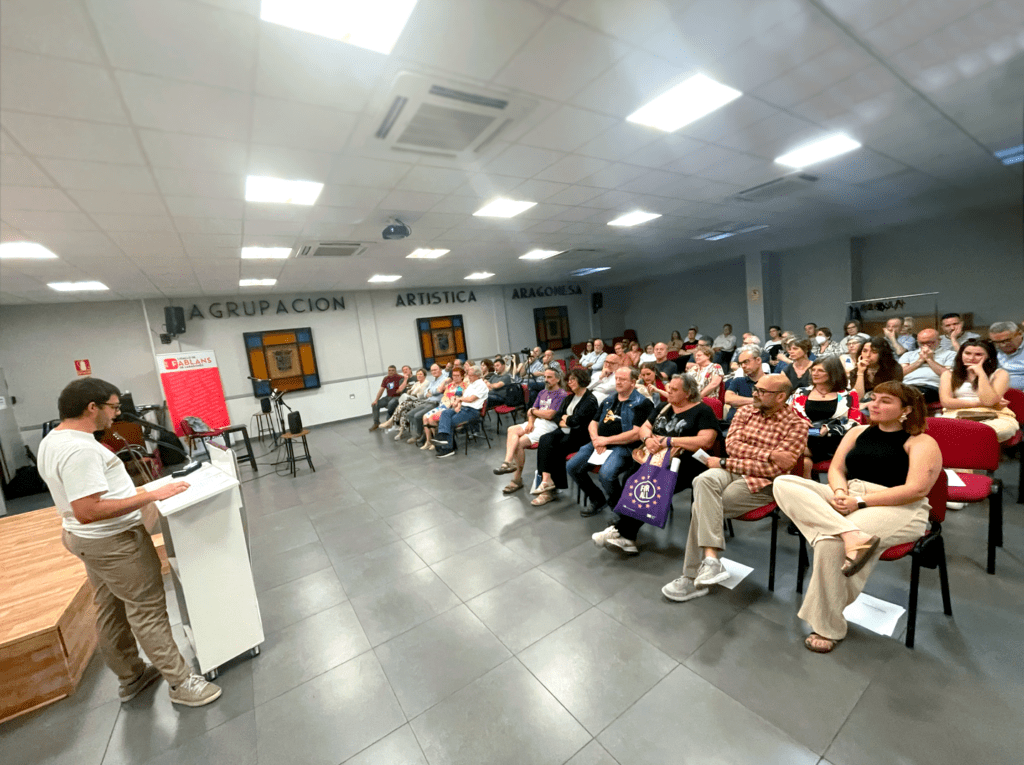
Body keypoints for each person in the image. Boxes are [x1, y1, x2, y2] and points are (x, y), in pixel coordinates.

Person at [37, 379, 222, 706]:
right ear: (92, 408)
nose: (118, 413)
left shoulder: (55, 439)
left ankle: (132, 676)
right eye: (113, 407)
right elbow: (88, 510)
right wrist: (149, 495)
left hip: (88, 542)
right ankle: (181, 684)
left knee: (109, 608)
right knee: (148, 610)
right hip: (114, 543)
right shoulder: (80, 449)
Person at [773, 382, 942, 653]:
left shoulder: (921, 442)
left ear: (906, 410)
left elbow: (916, 490)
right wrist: (841, 493)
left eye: (885, 401)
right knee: (784, 483)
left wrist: (859, 502)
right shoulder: (858, 432)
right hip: (849, 494)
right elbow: (837, 469)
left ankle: (828, 625)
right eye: (873, 399)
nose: (874, 405)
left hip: (898, 506)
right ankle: (852, 535)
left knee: (829, 542)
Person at [660, 374, 807, 603]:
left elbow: (776, 470)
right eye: (755, 389)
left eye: (761, 392)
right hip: (732, 469)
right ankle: (710, 562)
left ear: (781, 397)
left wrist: (727, 462)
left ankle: (690, 577)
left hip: (763, 484)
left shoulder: (797, 425)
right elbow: (732, 445)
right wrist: (768, 454)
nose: (754, 394)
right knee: (702, 481)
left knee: (704, 505)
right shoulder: (746, 412)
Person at [592, 375, 719, 553]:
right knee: (631, 478)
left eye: (675, 390)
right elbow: (645, 428)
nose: (669, 391)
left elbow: (706, 441)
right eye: (669, 388)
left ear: (688, 393)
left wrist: (670, 441)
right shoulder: (664, 406)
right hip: (657, 456)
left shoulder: (702, 411)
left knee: (652, 484)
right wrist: (647, 439)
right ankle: (623, 531)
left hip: (687, 461)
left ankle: (623, 533)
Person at [568, 366, 653, 517]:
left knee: (606, 475)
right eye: (617, 379)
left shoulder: (642, 403)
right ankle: (598, 499)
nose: (618, 382)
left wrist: (605, 440)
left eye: (623, 379)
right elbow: (592, 423)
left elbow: (636, 433)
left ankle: (622, 509)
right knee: (572, 466)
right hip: (599, 442)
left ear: (633, 382)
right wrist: (596, 440)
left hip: (624, 447)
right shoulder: (609, 400)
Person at [529, 368, 599, 506]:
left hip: (580, 435)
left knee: (556, 447)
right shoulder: (569, 397)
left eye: (573, 379)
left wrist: (566, 419)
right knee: (544, 439)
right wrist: (566, 419)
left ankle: (553, 488)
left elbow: (576, 422)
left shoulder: (590, 400)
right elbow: (557, 416)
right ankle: (546, 480)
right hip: (564, 430)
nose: (570, 382)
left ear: (581, 380)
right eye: (569, 379)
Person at [493, 367, 568, 492]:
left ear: (558, 379)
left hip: (549, 426)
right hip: (537, 422)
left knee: (519, 443)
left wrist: (534, 412)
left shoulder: (561, 394)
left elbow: (550, 415)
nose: (546, 380)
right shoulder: (542, 392)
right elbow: (530, 411)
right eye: (545, 377)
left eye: (549, 377)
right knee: (512, 429)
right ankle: (507, 462)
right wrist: (531, 421)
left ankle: (516, 480)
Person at [789, 357, 863, 475]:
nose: (815, 373)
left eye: (821, 371)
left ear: (833, 372)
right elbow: (789, 416)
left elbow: (855, 423)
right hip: (808, 434)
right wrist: (798, 421)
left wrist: (829, 429)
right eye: (813, 370)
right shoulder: (802, 392)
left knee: (792, 449)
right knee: (806, 462)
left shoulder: (847, 395)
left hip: (833, 439)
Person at [938, 339, 1019, 442]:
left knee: (987, 431)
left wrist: (981, 374)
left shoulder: (1000, 374)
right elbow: (946, 402)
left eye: (978, 354)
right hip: (957, 414)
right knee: (947, 431)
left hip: (993, 414)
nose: (971, 358)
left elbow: (989, 401)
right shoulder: (948, 374)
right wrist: (980, 403)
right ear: (960, 354)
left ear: (988, 356)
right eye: (967, 353)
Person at [433, 364, 489, 458]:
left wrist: (459, 400)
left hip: (472, 411)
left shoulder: (481, 385)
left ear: (477, 375)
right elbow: (461, 396)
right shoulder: (470, 384)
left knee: (449, 421)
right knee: (445, 413)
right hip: (462, 407)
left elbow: (470, 399)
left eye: (470, 375)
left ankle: (448, 448)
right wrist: (458, 404)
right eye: (468, 374)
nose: (468, 377)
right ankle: (443, 438)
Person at [900, 328, 955, 403]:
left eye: (929, 342)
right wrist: (920, 360)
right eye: (921, 343)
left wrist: (930, 360)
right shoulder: (908, 355)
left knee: (914, 396)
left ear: (939, 340)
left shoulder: (950, 354)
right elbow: (900, 374)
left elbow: (948, 375)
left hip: (932, 386)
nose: (925, 346)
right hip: (907, 386)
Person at [421, 367, 464, 451]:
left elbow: (457, 397)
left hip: (450, 407)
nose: (455, 377)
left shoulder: (461, 386)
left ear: (462, 376)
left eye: (457, 376)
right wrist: (445, 382)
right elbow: (441, 391)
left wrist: (450, 397)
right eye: (453, 375)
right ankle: (428, 440)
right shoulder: (450, 385)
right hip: (442, 405)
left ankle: (437, 441)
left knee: (431, 419)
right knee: (424, 417)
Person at [851, 336, 903, 402]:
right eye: (865, 351)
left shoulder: (894, 368)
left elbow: (892, 395)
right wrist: (860, 372)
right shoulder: (855, 371)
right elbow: (857, 398)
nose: (868, 355)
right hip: (863, 405)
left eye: (874, 351)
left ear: (882, 353)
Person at [406, 364, 449, 444]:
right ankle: (421, 433)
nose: (433, 372)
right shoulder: (433, 381)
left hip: (436, 403)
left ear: (440, 370)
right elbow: (426, 393)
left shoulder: (445, 380)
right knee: (410, 414)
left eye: (435, 370)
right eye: (432, 370)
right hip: (427, 401)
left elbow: (438, 391)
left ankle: (421, 436)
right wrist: (432, 391)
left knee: (417, 416)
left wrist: (431, 391)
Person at [387, 368, 430, 440]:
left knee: (403, 405)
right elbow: (408, 392)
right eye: (418, 374)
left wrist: (413, 392)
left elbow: (420, 395)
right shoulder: (417, 383)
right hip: (413, 401)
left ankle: (391, 420)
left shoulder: (426, 382)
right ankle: (400, 432)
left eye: (421, 374)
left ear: (424, 376)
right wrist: (413, 392)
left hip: (421, 402)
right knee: (403, 412)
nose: (419, 376)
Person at [724, 347, 766, 421]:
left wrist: (740, 402)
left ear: (758, 360)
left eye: (746, 361)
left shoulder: (771, 381)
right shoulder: (738, 381)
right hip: (735, 423)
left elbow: (770, 402)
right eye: (741, 363)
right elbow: (728, 399)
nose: (743, 366)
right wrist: (757, 401)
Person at [369, 364, 406, 431]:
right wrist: (376, 400)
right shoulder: (386, 379)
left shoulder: (401, 378)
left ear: (395, 371)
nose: (390, 372)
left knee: (391, 404)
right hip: (388, 397)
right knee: (375, 405)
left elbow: (403, 389)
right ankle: (376, 423)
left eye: (392, 370)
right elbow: (381, 389)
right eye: (389, 370)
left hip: (397, 397)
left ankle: (391, 422)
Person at [989, 321, 1024, 391]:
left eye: (1007, 340)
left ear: (1020, 334)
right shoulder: (992, 350)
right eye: (997, 342)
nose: (1002, 345)